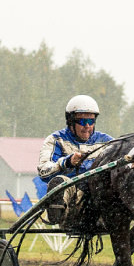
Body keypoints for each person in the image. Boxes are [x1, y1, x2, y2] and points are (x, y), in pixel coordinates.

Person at [37, 95, 113, 226]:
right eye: (82, 122)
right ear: (71, 121)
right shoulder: (56, 139)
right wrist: (67, 162)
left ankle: (104, 218)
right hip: (71, 201)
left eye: (91, 121)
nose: (87, 126)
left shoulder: (106, 141)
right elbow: (44, 171)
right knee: (60, 182)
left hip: (97, 196)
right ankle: (59, 214)